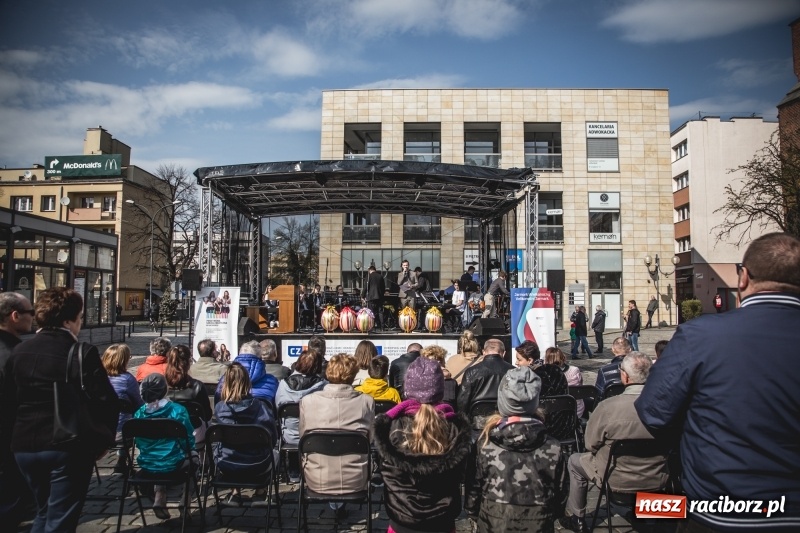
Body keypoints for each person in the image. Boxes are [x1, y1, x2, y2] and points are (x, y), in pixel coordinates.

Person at [636, 233, 800, 531]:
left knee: (650, 512)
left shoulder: (701, 336)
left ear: (744, 277)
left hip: (723, 511)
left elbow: (654, 413)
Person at [4, 287, 118, 531]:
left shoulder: (18, 351)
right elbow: (106, 401)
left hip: (24, 446)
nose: (80, 323)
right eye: (79, 318)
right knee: (60, 520)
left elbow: (9, 401)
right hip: (67, 444)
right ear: (68, 320)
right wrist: (103, 440)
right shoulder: (80, 352)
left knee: (44, 512)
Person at [561, 352, 667, 533]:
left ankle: (577, 517)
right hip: (658, 476)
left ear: (624, 376)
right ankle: (664, 514)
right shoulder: (667, 405)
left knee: (574, 461)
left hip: (615, 478)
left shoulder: (608, 407)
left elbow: (590, 444)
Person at [373, 356, 472, 533]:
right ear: (440, 391)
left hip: (401, 521)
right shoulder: (455, 430)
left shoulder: (391, 428)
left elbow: (384, 472)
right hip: (442, 521)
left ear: (407, 389)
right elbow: (462, 476)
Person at [466, 366, 567, 532]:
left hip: (494, 523)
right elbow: (560, 494)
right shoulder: (553, 446)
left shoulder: (485, 444)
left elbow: (473, 490)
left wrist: (475, 513)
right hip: (539, 524)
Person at [299, 354, 374, 518]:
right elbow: (370, 439)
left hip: (317, 478)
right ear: (353, 375)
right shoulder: (367, 401)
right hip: (355, 479)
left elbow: (303, 438)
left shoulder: (308, 401)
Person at [134, 373, 196, 520]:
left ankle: (160, 496)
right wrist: (189, 450)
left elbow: (138, 443)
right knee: (194, 458)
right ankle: (185, 501)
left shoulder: (138, 414)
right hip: (174, 464)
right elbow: (187, 441)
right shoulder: (177, 410)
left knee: (159, 456)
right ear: (165, 390)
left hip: (147, 464)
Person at [0, 292, 35, 527]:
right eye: (30, 313)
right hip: (13, 436)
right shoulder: (17, 354)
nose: (33, 317)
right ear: (15, 316)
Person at [212, 363, 278, 487]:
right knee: (276, 453)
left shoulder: (219, 408)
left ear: (225, 383)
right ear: (247, 382)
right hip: (256, 463)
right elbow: (272, 438)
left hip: (226, 462)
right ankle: (260, 491)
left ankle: (235, 491)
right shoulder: (260, 407)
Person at [275, 349, 327, 482]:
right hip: (316, 436)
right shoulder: (324, 386)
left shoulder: (282, 385)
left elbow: (277, 408)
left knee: (294, 425)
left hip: (289, 436)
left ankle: (294, 472)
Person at [101, 343, 145, 471]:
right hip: (121, 434)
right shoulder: (128, 380)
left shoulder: (97, 379)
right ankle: (122, 459)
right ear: (124, 361)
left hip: (98, 430)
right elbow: (139, 405)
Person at [457, 338, 514, 430]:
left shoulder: (471, 372)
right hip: (505, 419)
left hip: (478, 420)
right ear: (503, 353)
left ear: (484, 352)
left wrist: (462, 423)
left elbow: (463, 400)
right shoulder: (513, 371)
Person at [164, 344, 213, 446]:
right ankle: (203, 459)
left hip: (166, 432)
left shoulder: (161, 385)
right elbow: (207, 415)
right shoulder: (197, 386)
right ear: (188, 363)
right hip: (192, 432)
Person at [215, 341, 278, 407]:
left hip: (229, 416)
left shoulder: (225, 379)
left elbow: (217, 406)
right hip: (262, 416)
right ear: (260, 358)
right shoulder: (272, 381)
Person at [545, 347, 585, 417]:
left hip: (554, 415)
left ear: (546, 361)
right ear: (563, 357)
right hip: (576, 411)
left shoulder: (545, 376)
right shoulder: (575, 370)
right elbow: (580, 384)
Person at [362, 265, 385, 330]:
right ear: (375, 270)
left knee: (371, 312)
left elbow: (366, 287)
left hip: (371, 297)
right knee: (380, 312)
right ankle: (382, 327)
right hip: (379, 297)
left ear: (370, 270)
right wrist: (381, 295)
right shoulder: (380, 276)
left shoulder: (368, 276)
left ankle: (372, 326)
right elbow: (383, 288)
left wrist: (362, 296)